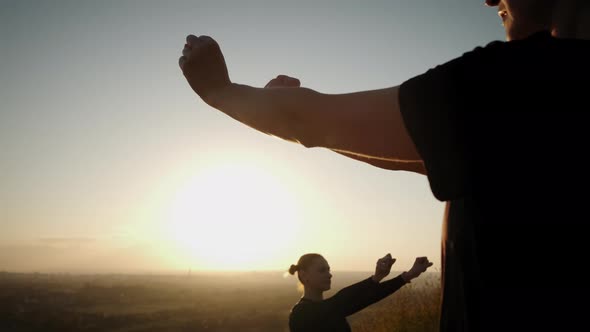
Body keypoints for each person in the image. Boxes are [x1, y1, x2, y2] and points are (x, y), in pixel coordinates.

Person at [178, 1, 590, 330]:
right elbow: (418, 152)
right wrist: (300, 126)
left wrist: (219, 91)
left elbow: (314, 120)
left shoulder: (523, 81)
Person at [287, 253, 433, 332]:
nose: (329, 274)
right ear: (304, 275)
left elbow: (365, 297)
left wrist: (409, 275)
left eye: (328, 269)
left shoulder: (329, 309)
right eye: (322, 270)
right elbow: (345, 300)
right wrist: (376, 278)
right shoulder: (301, 314)